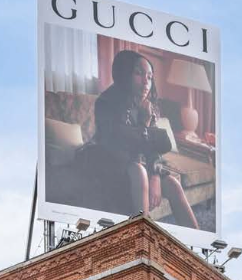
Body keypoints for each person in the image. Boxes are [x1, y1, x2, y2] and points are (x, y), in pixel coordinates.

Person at [86, 49, 200, 229]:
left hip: (135, 162)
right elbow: (120, 144)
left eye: (150, 76)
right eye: (139, 74)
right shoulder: (106, 102)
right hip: (109, 160)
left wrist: (155, 175)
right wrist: (146, 124)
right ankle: (143, 242)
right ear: (125, 74)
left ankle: (197, 247)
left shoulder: (147, 104)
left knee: (173, 184)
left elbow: (162, 144)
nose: (146, 81)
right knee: (139, 172)